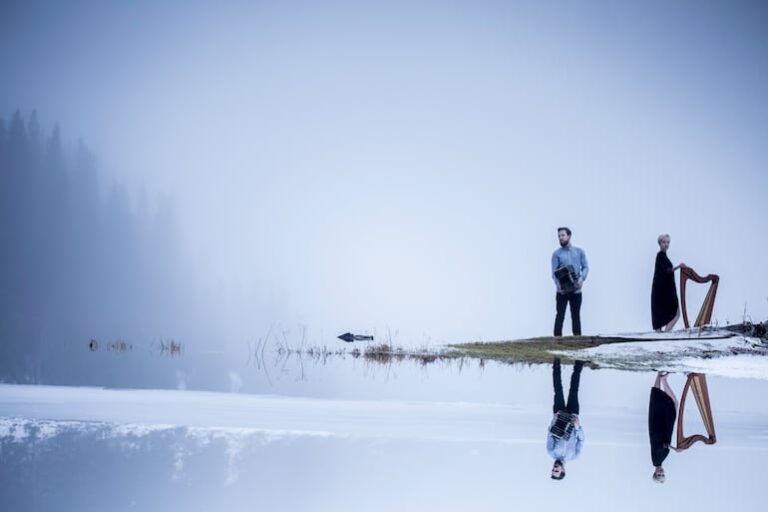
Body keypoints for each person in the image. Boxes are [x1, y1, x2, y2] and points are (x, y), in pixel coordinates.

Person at [547, 357, 585, 480]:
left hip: (559, 416)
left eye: (553, 470)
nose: (554, 468)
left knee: (558, 390)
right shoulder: (574, 456)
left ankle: (556, 363)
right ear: (563, 471)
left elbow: (550, 433)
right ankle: (578, 364)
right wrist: (578, 426)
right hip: (573, 418)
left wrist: (555, 418)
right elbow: (581, 441)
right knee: (574, 390)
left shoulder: (551, 452)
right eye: (556, 471)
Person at [551, 227, 589, 336]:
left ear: (569, 236)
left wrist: (582, 279)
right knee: (560, 315)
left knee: (576, 315)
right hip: (562, 291)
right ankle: (556, 342)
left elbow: (585, 267)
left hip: (576, 290)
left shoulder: (579, 251)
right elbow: (554, 273)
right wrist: (558, 286)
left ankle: (578, 342)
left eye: (562, 235)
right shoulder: (556, 254)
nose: (560, 238)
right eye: (559, 236)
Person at [649, 371, 682, 483]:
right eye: (663, 474)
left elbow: (662, 445)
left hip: (661, 427)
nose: (661, 472)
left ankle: (663, 379)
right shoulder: (659, 460)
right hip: (663, 428)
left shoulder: (656, 460)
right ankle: (660, 375)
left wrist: (675, 449)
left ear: (655, 473)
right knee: (658, 400)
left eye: (659, 474)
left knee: (673, 403)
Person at [651, 234, 686, 331]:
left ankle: (666, 333)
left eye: (668, 242)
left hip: (665, 292)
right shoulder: (660, 256)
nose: (666, 244)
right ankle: (666, 334)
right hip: (661, 293)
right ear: (660, 243)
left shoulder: (664, 257)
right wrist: (678, 267)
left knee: (676, 314)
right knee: (675, 313)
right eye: (664, 242)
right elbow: (667, 270)